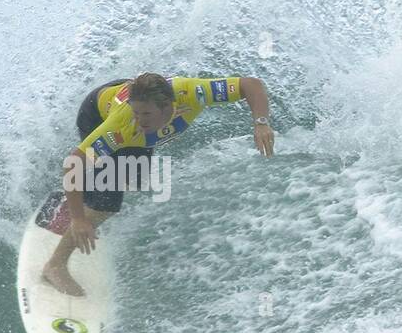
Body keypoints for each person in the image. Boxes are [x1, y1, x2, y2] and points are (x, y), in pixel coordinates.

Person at [42, 72, 274, 296]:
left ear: (168, 106)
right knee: (106, 205)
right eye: (137, 114)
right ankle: (55, 266)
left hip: (130, 101)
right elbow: (74, 163)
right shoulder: (122, 127)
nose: (139, 120)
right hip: (98, 114)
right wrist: (80, 219)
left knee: (132, 181)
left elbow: (250, 85)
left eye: (146, 115)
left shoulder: (194, 92)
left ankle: (82, 195)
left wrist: (261, 123)